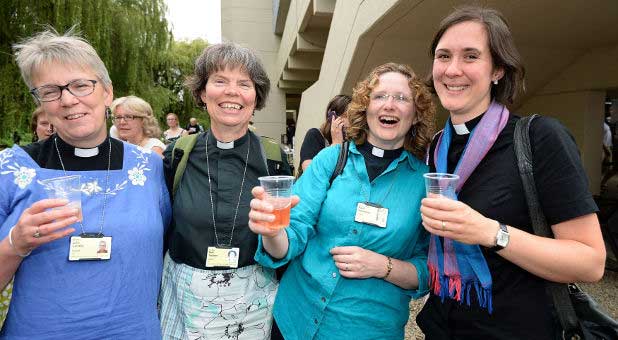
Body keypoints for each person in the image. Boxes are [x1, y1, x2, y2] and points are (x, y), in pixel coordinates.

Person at [415, 6, 606, 339]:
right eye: (443, 56)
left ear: (498, 70)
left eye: (471, 56)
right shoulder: (436, 147)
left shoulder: (539, 137)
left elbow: (590, 262)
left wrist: (491, 232)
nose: (453, 69)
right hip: (444, 327)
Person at [0, 28, 171, 339]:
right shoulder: (11, 169)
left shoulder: (149, 168)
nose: (68, 100)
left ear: (107, 92)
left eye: (81, 85)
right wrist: (15, 243)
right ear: (41, 103)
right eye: (50, 91)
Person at [248, 62, 436, 339]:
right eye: (380, 96)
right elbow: (292, 234)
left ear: (416, 114)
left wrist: (382, 266)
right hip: (295, 320)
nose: (389, 105)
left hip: (366, 330)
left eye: (402, 98)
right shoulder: (330, 160)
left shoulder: (424, 183)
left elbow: (429, 270)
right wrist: (272, 232)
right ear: (365, 107)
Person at [159, 42, 292, 340]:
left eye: (244, 84)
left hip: (252, 299)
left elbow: (287, 239)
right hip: (185, 299)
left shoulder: (273, 159)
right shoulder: (177, 155)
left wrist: (273, 229)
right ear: (203, 93)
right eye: (220, 81)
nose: (232, 92)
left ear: (255, 97)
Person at [299, 94, 351, 173]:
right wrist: (336, 145)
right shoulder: (315, 135)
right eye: (345, 116)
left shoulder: (352, 141)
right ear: (332, 117)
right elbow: (309, 173)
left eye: (353, 117)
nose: (350, 122)